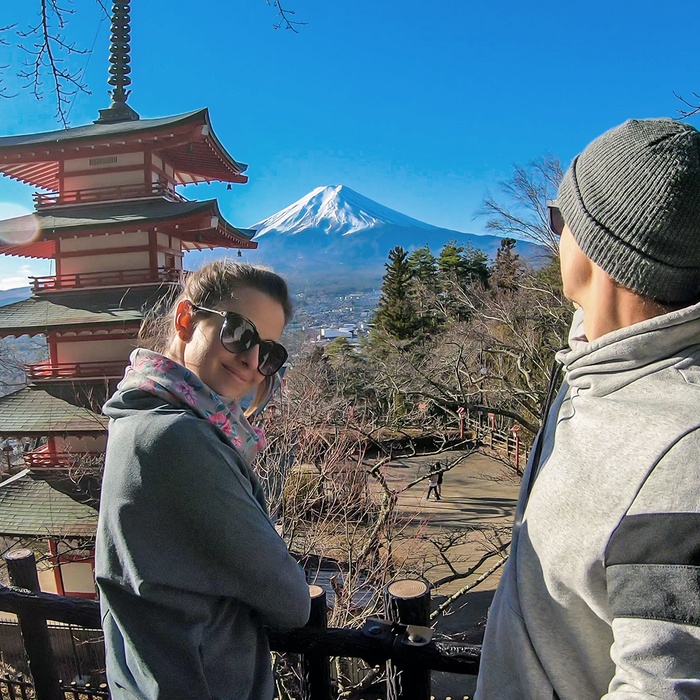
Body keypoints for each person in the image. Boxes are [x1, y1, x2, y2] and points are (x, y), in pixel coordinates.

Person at [475, 119, 700, 699]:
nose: (554, 239)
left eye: (558, 220)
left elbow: (665, 686)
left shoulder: (681, 443)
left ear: (597, 249)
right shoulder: (601, 372)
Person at [95, 261, 311, 699]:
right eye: (240, 333)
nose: (251, 360)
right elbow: (290, 600)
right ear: (184, 319)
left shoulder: (135, 416)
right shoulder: (180, 437)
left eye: (268, 352)